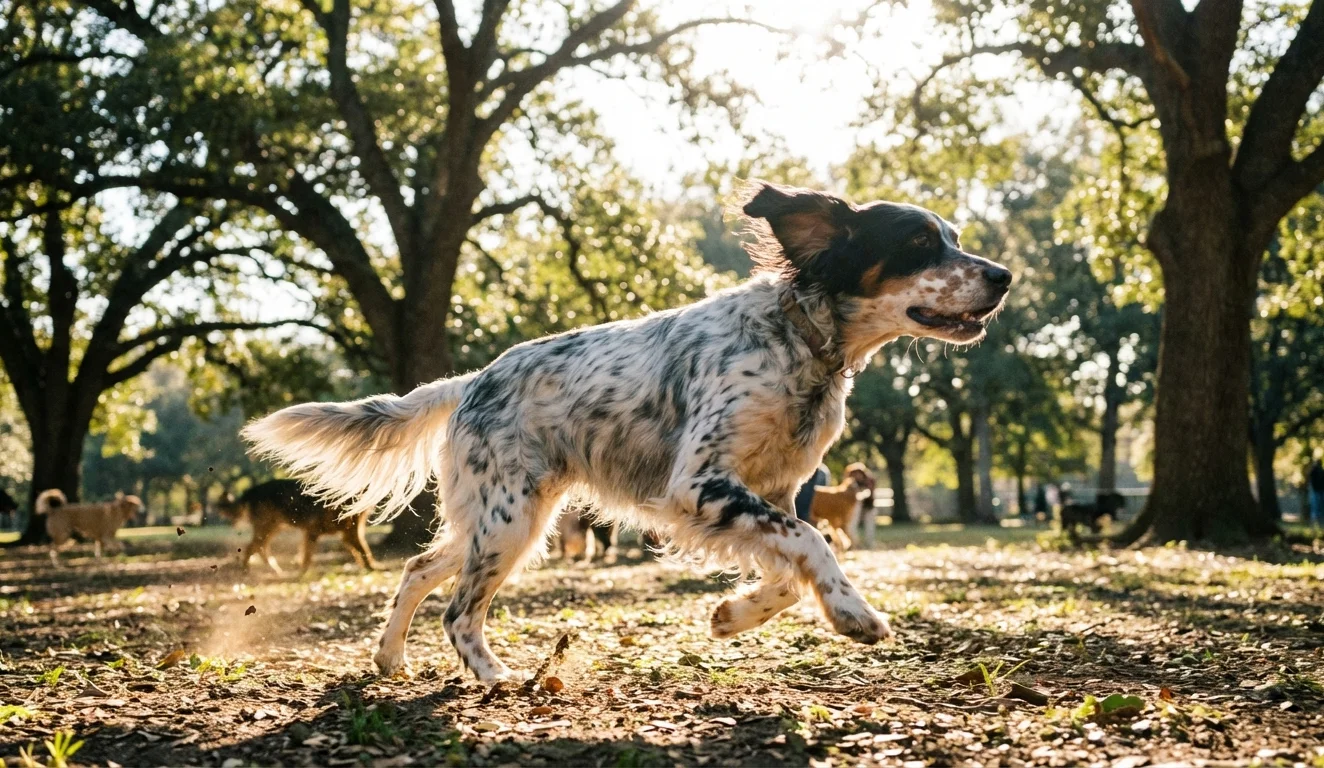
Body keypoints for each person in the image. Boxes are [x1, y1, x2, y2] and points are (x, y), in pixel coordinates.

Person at [1309, 460, 1324, 526]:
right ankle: (1316, 518)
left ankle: (1318, 517)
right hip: (1316, 490)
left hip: (1320, 490)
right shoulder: (1314, 471)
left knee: (1318, 504)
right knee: (1316, 504)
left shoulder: (1321, 471)